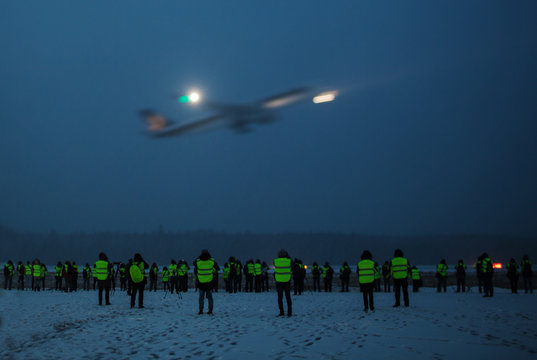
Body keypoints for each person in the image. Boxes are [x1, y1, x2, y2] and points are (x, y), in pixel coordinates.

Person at [195, 249, 215, 315]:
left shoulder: (198, 261)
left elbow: (194, 265)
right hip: (209, 282)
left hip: (201, 282)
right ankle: (210, 310)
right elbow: (217, 268)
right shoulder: (212, 261)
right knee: (210, 297)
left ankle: (200, 310)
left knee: (201, 297)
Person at [274, 249, 292, 317]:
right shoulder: (289, 261)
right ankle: (289, 312)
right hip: (287, 281)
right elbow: (292, 264)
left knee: (280, 298)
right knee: (288, 297)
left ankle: (281, 312)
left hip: (279, 281)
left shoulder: (275, 261)